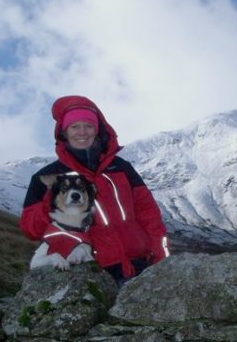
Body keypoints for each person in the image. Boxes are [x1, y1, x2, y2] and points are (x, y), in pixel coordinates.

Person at [20, 95, 171, 285]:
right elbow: (30, 229)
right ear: (63, 132)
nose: (82, 132)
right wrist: (51, 201)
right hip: (90, 273)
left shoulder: (121, 168)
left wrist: (161, 257)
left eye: (89, 126)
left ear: (98, 130)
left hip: (142, 265)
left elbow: (149, 215)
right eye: (74, 126)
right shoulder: (47, 177)